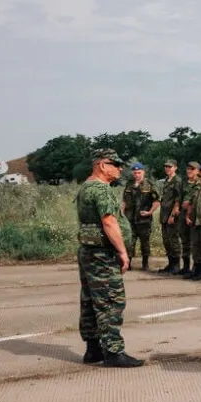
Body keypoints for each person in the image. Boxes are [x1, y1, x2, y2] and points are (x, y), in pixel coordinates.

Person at [75, 149, 143, 368]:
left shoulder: (85, 187)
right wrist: (123, 252)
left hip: (88, 251)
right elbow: (109, 222)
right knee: (111, 301)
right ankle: (113, 351)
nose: (120, 168)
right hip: (102, 254)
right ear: (102, 165)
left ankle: (93, 349)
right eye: (115, 164)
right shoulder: (101, 189)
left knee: (90, 300)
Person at [121, 162, 160, 270]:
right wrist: (121, 214)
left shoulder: (149, 184)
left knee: (144, 242)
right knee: (129, 241)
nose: (137, 175)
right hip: (129, 218)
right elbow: (124, 200)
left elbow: (156, 201)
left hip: (144, 219)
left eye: (139, 172)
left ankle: (145, 263)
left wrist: (150, 212)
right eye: (135, 173)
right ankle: (128, 263)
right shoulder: (129, 184)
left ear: (143, 172)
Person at [158, 160, 183, 275]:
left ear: (175, 168)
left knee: (173, 240)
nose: (167, 168)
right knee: (166, 241)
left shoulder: (177, 181)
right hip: (164, 215)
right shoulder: (167, 181)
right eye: (166, 166)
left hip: (172, 216)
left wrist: (173, 215)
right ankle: (171, 263)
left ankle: (176, 265)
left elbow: (178, 200)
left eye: (170, 166)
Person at [177, 161, 200, 276]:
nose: (190, 171)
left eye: (193, 169)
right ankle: (186, 267)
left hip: (195, 216)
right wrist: (177, 208)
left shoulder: (200, 184)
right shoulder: (183, 183)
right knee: (184, 241)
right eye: (188, 169)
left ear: (198, 171)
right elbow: (179, 198)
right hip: (183, 215)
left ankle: (195, 268)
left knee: (195, 242)